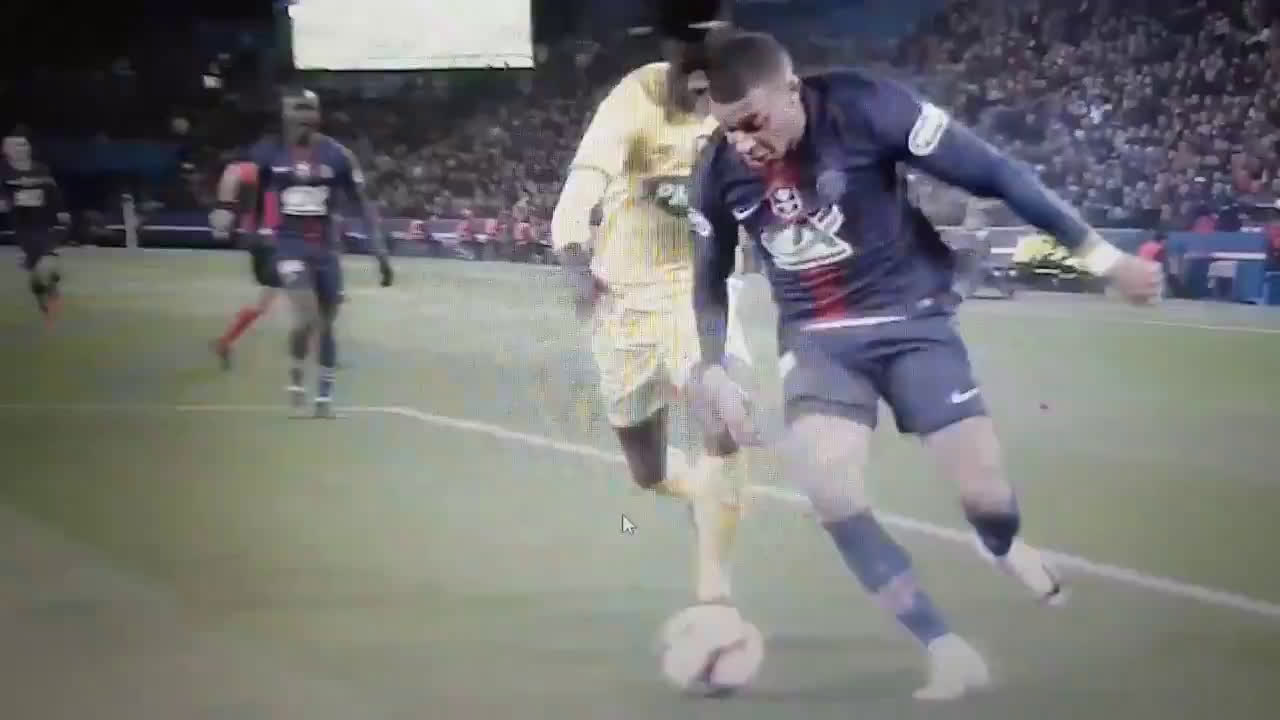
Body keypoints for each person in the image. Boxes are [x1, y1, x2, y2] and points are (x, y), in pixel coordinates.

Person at [687, 31, 1162, 700]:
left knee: (987, 498)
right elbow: (708, 278)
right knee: (829, 487)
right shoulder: (715, 171)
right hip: (819, 340)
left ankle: (1000, 544)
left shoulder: (867, 107)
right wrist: (712, 364)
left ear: (791, 91)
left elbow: (995, 173)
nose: (743, 143)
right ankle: (943, 645)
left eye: (753, 122)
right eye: (728, 128)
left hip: (912, 319)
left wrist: (1105, 260)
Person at [550, 1, 754, 610]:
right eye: (691, 47)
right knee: (648, 471)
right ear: (669, 49)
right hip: (624, 297)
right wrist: (573, 252)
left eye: (713, 42)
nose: (703, 60)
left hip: (699, 287)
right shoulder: (634, 98)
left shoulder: (743, 98)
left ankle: (714, 593)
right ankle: (695, 491)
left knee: (724, 416)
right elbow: (584, 182)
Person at [211, 88, 393, 417]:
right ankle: (297, 382)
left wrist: (379, 251)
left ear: (318, 114)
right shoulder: (270, 152)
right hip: (288, 246)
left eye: (310, 108)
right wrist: (225, 207)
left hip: (326, 249)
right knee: (309, 316)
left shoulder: (338, 156)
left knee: (325, 323)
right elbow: (236, 172)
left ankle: (323, 397)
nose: (304, 115)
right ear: (285, 115)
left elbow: (362, 205)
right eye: (297, 108)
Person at [209, 144, 282, 369]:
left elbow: (233, 172)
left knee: (266, 301)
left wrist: (224, 206)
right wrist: (224, 206)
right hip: (268, 243)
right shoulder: (263, 174)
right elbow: (234, 172)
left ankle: (227, 340)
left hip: (263, 241)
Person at [1, 129, 69, 323]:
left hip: (47, 224)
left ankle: (44, 292)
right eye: (16, 145)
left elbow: (52, 191)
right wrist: (10, 202)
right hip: (24, 228)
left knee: (47, 266)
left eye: (24, 144)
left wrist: (61, 211)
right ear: (6, 150)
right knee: (45, 264)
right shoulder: (3, 173)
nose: (22, 148)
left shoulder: (41, 169)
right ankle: (44, 294)